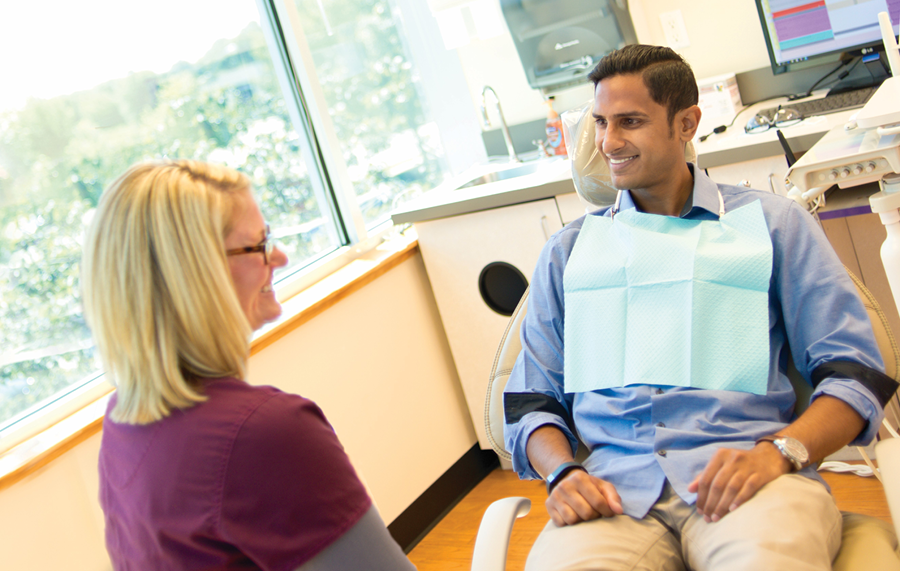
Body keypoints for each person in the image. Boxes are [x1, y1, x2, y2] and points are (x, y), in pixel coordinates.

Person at [503, 45, 900, 570]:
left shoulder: (774, 226)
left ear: (686, 123)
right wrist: (563, 474)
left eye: (630, 122)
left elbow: (855, 377)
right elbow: (531, 403)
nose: (608, 142)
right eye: (601, 122)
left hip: (749, 480)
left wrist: (779, 452)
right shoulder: (569, 254)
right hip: (613, 497)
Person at [82, 160, 416, 571]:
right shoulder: (264, 431)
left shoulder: (124, 418)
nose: (280, 255)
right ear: (198, 275)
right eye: (258, 245)